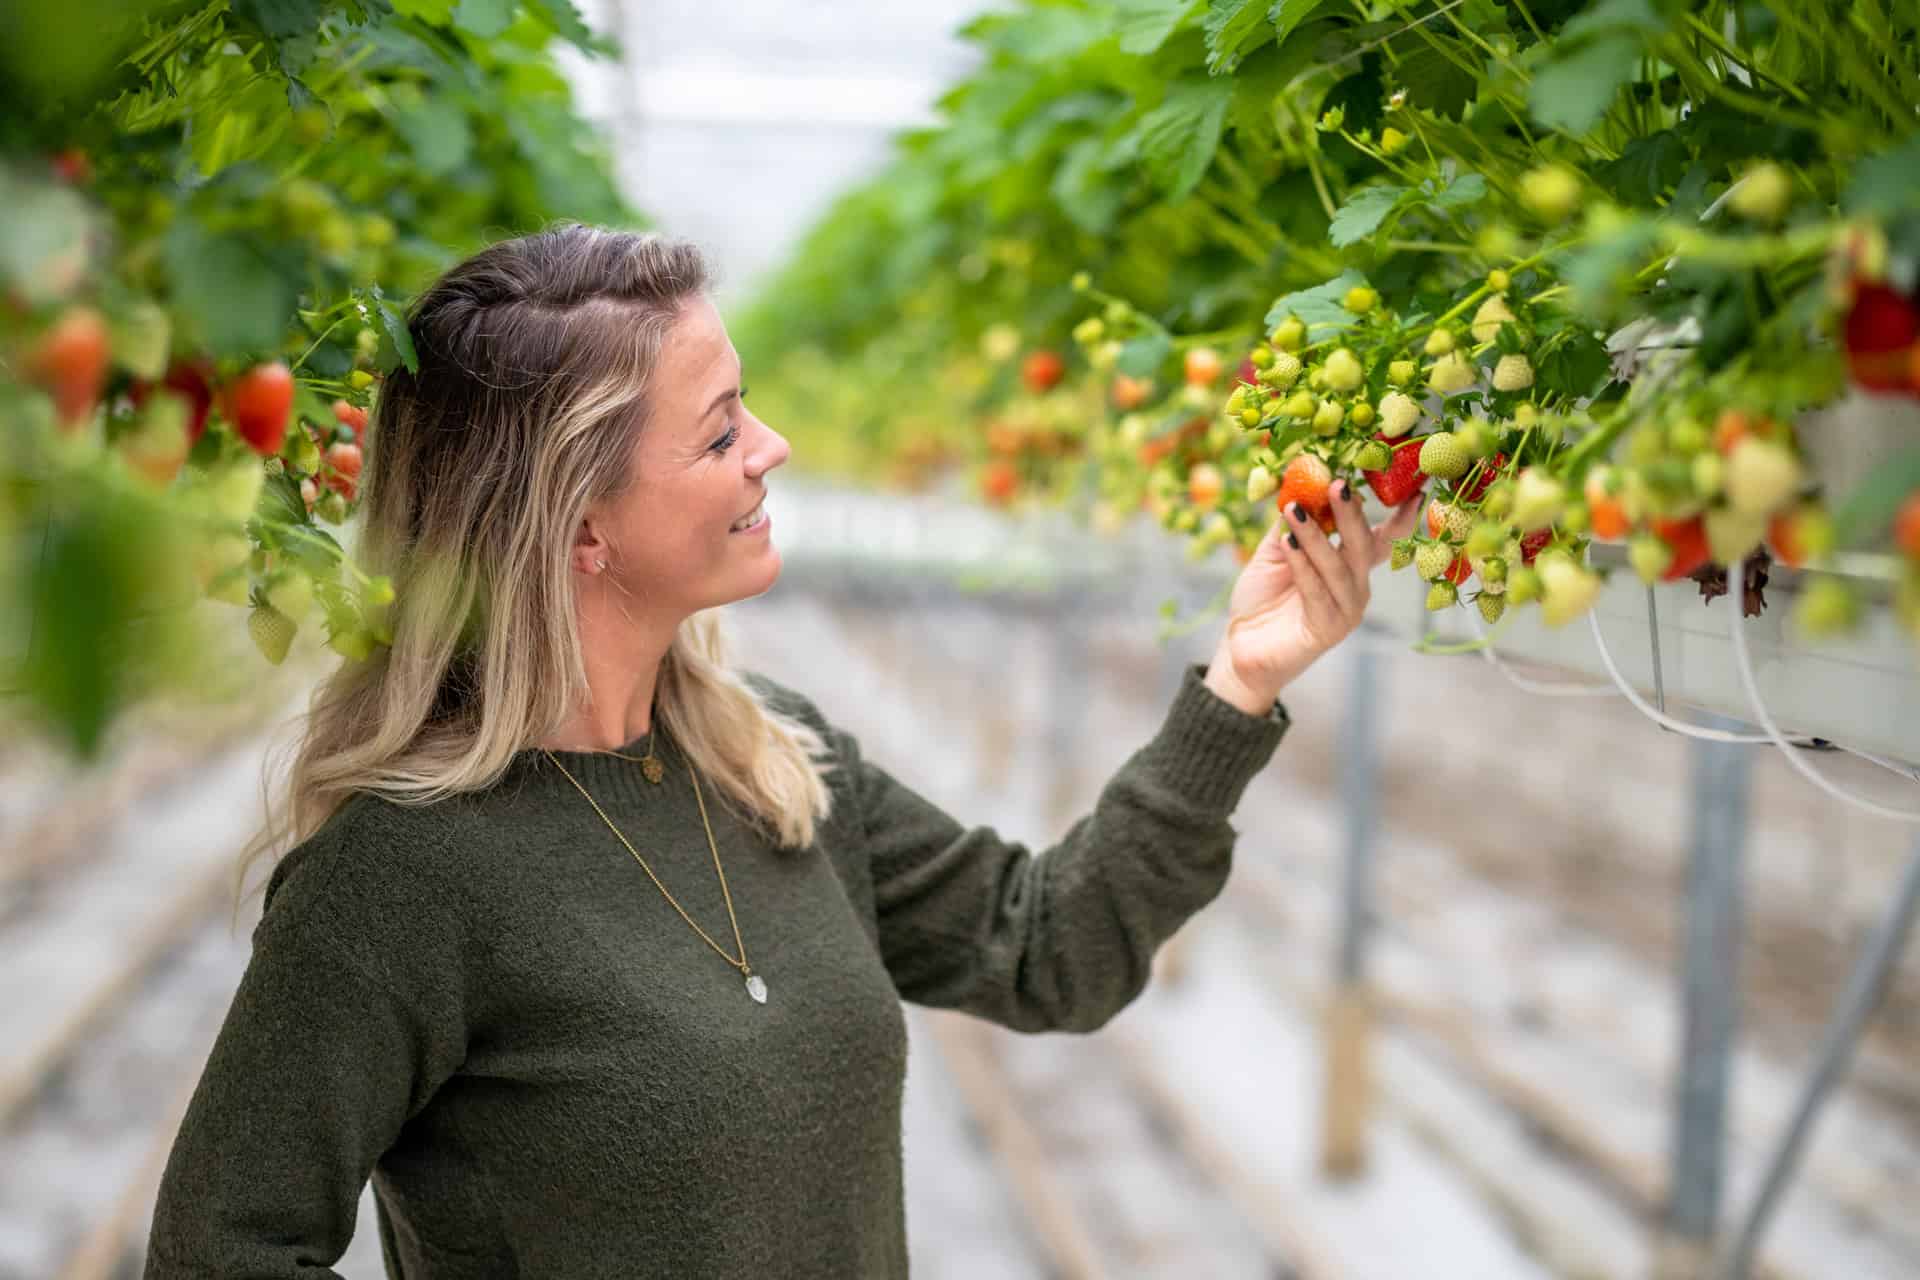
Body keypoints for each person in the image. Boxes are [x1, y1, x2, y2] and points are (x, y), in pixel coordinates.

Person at [143, 222, 1422, 1278]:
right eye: (717, 433)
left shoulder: (778, 764)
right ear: (579, 525)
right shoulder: (402, 876)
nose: (772, 449)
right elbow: (224, 1250)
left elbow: (1048, 949)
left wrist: (1241, 679)